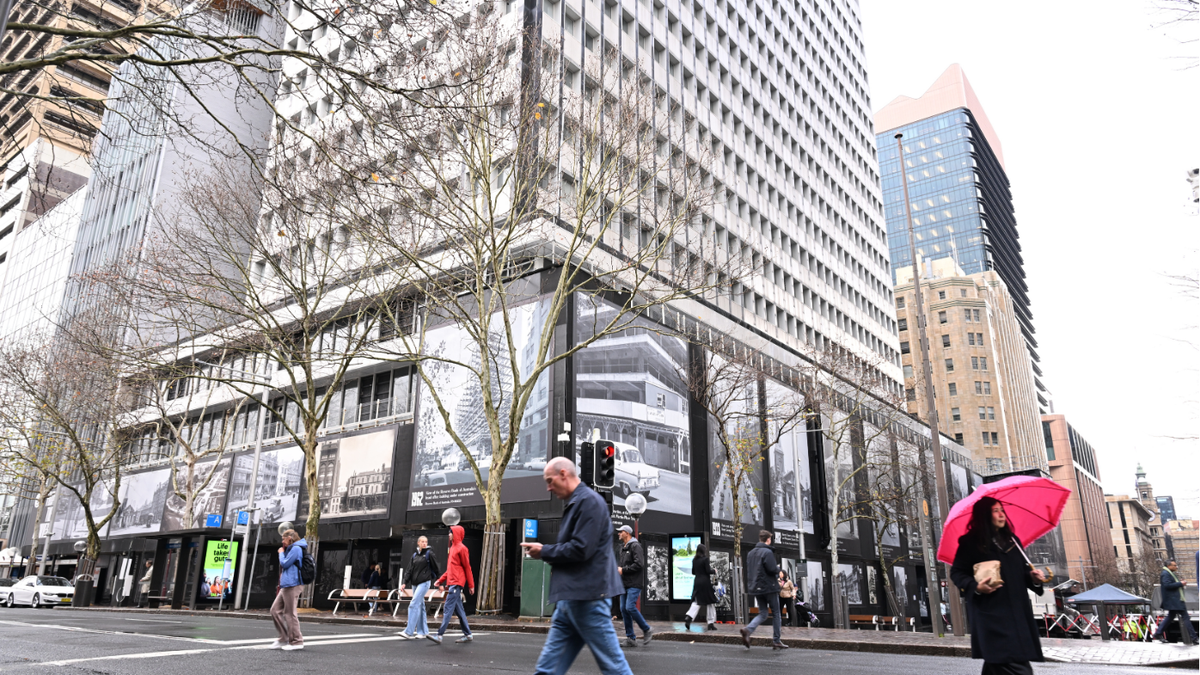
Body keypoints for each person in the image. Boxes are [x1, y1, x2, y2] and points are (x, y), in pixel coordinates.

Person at [521, 457, 632, 675]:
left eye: (550, 480)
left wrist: (543, 551)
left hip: (587, 599)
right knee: (547, 669)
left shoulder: (589, 502)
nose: (548, 488)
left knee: (615, 668)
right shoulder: (578, 502)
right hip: (571, 598)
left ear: (563, 474)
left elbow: (581, 549)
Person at [949, 498, 1047, 675]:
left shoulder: (1013, 541)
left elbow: (1022, 572)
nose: (1002, 515)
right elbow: (957, 572)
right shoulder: (970, 543)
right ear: (984, 515)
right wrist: (975, 587)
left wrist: (1033, 578)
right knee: (1012, 663)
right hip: (991, 615)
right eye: (995, 511)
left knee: (999, 663)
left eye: (1002, 510)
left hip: (1018, 613)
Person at [739, 530, 787, 650]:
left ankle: (748, 629)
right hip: (769, 587)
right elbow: (771, 569)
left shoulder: (751, 553)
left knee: (763, 613)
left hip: (756, 587)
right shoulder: (767, 552)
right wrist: (778, 569)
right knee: (776, 613)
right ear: (768, 540)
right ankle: (776, 641)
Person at [427, 525, 474, 644]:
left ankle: (439, 635)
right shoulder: (453, 548)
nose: (449, 534)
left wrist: (471, 585)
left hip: (456, 583)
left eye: (451, 532)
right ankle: (468, 634)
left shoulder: (462, 548)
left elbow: (467, 567)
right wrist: (440, 580)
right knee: (459, 610)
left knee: (448, 607)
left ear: (456, 534)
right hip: (453, 583)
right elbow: (450, 569)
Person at [616, 525, 653, 647]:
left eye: (620, 532)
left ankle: (647, 629)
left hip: (634, 583)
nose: (618, 534)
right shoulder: (623, 548)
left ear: (627, 533)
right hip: (624, 583)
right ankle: (631, 638)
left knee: (630, 607)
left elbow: (639, 564)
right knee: (623, 609)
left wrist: (623, 570)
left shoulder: (635, 546)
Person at [271, 529, 307, 651]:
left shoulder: (296, 549)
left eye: (283, 539)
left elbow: (285, 564)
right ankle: (284, 638)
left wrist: (281, 553)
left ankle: (297, 641)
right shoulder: (292, 549)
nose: (282, 541)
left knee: (290, 613)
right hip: (287, 584)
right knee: (275, 610)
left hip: (293, 584)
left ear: (289, 538)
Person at [399, 536, 440, 639]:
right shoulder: (415, 555)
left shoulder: (429, 553)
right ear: (418, 543)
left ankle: (409, 631)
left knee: (413, 604)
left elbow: (436, 568)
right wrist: (404, 582)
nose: (424, 543)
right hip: (415, 584)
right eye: (422, 542)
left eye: (426, 542)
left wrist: (440, 582)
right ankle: (423, 632)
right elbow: (409, 570)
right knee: (420, 606)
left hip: (424, 582)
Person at [1153, 559, 1197, 644]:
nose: (1176, 567)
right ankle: (1194, 638)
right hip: (1174, 600)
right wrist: (1181, 583)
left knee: (1171, 616)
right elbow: (1167, 585)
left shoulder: (1168, 573)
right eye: (1175, 565)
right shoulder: (1165, 574)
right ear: (1169, 566)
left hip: (1174, 600)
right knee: (1185, 617)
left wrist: (1180, 583)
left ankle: (1158, 633)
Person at [684, 543, 718, 631]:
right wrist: (714, 571)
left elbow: (693, 572)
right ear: (704, 551)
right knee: (710, 602)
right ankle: (710, 623)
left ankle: (689, 617)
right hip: (705, 582)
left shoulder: (694, 560)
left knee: (697, 601)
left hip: (697, 582)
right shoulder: (705, 559)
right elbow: (708, 571)